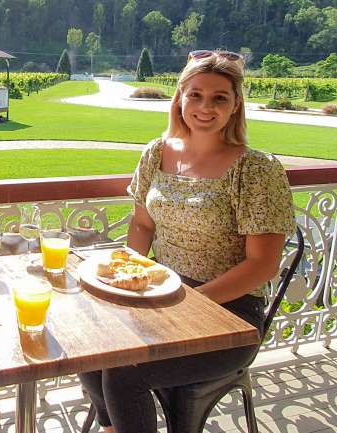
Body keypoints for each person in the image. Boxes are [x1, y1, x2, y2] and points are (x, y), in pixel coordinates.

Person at [78, 50, 295, 433]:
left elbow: (263, 264)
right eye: (195, 94)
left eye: (219, 97)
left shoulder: (257, 169)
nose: (205, 106)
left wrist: (190, 303)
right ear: (179, 98)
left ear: (236, 105)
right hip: (161, 294)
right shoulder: (157, 152)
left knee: (125, 373)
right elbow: (142, 225)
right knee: (92, 342)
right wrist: (125, 274)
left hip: (231, 314)